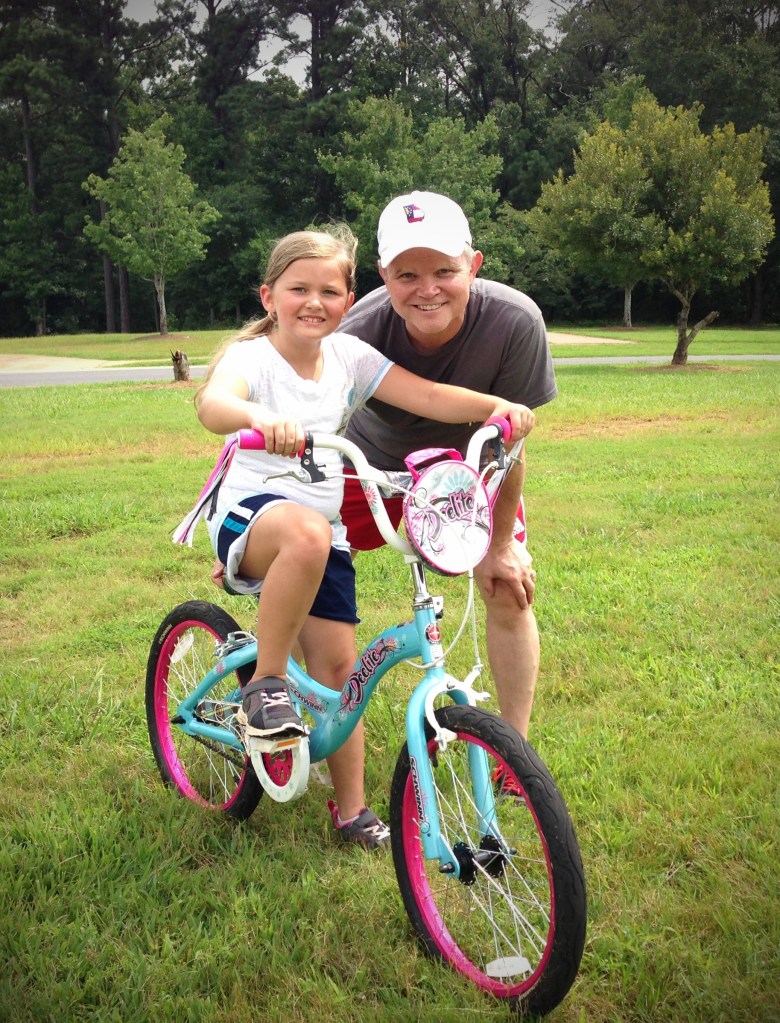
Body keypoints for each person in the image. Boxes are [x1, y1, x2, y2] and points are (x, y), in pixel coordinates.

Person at [175, 226, 536, 849]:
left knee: (341, 673)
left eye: (329, 291)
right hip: (250, 518)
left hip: (321, 534)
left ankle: (352, 813)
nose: (313, 302)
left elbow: (425, 394)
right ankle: (265, 686)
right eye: (298, 289)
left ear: (349, 300)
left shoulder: (350, 357)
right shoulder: (253, 359)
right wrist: (260, 417)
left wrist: (493, 406)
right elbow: (214, 404)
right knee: (308, 533)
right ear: (268, 297)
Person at [339, 192, 557, 780]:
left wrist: (500, 544)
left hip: (464, 468)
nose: (427, 289)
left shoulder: (514, 322)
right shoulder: (357, 330)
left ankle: (514, 757)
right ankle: (294, 711)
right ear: (383, 275)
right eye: (406, 274)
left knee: (508, 586)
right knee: (307, 570)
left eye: (444, 270)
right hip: (370, 464)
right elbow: (302, 418)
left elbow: (512, 445)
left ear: (474, 265)